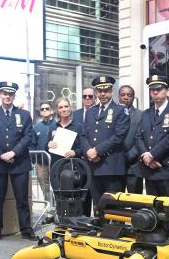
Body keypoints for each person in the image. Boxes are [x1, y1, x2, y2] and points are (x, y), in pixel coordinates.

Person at [0, 81, 37, 244]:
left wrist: (13, 152)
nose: (8, 96)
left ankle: (26, 230)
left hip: (19, 162)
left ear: (14, 96)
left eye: (11, 94)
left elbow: (28, 136)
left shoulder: (24, 114)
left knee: (22, 200)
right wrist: (1, 154)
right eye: (5, 93)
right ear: (0, 94)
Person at [135, 75, 169, 245]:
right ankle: (161, 239)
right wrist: (145, 156)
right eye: (152, 90)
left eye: (159, 90)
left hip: (168, 168)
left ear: (166, 91)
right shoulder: (146, 113)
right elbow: (138, 137)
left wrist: (153, 154)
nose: (155, 93)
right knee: (155, 207)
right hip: (150, 169)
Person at [83, 76, 129, 208]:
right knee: (98, 208)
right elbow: (83, 135)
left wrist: (97, 151)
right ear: (96, 92)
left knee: (115, 209)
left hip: (112, 167)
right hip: (93, 167)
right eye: (99, 91)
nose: (103, 94)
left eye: (106, 90)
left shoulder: (120, 110)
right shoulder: (90, 111)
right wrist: (89, 151)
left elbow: (118, 136)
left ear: (112, 91)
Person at [46, 97, 88, 165]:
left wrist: (75, 152)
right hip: (56, 165)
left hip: (74, 165)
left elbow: (84, 147)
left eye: (66, 106)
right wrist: (48, 145)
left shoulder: (79, 127)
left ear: (70, 108)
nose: (64, 109)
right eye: (60, 107)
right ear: (57, 110)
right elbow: (46, 147)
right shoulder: (53, 127)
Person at [119, 85, 144, 194]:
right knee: (115, 202)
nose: (126, 97)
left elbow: (142, 138)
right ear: (118, 97)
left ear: (133, 98)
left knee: (135, 203)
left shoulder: (141, 115)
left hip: (134, 166)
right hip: (115, 165)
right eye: (123, 95)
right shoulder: (112, 113)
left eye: (129, 95)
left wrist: (129, 156)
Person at [33, 102, 57, 201]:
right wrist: (34, 160)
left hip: (56, 162)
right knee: (44, 187)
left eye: (47, 108)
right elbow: (33, 144)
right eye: (42, 109)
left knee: (57, 186)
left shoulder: (58, 125)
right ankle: (50, 210)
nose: (44, 111)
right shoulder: (37, 127)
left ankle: (59, 208)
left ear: (51, 111)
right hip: (41, 163)